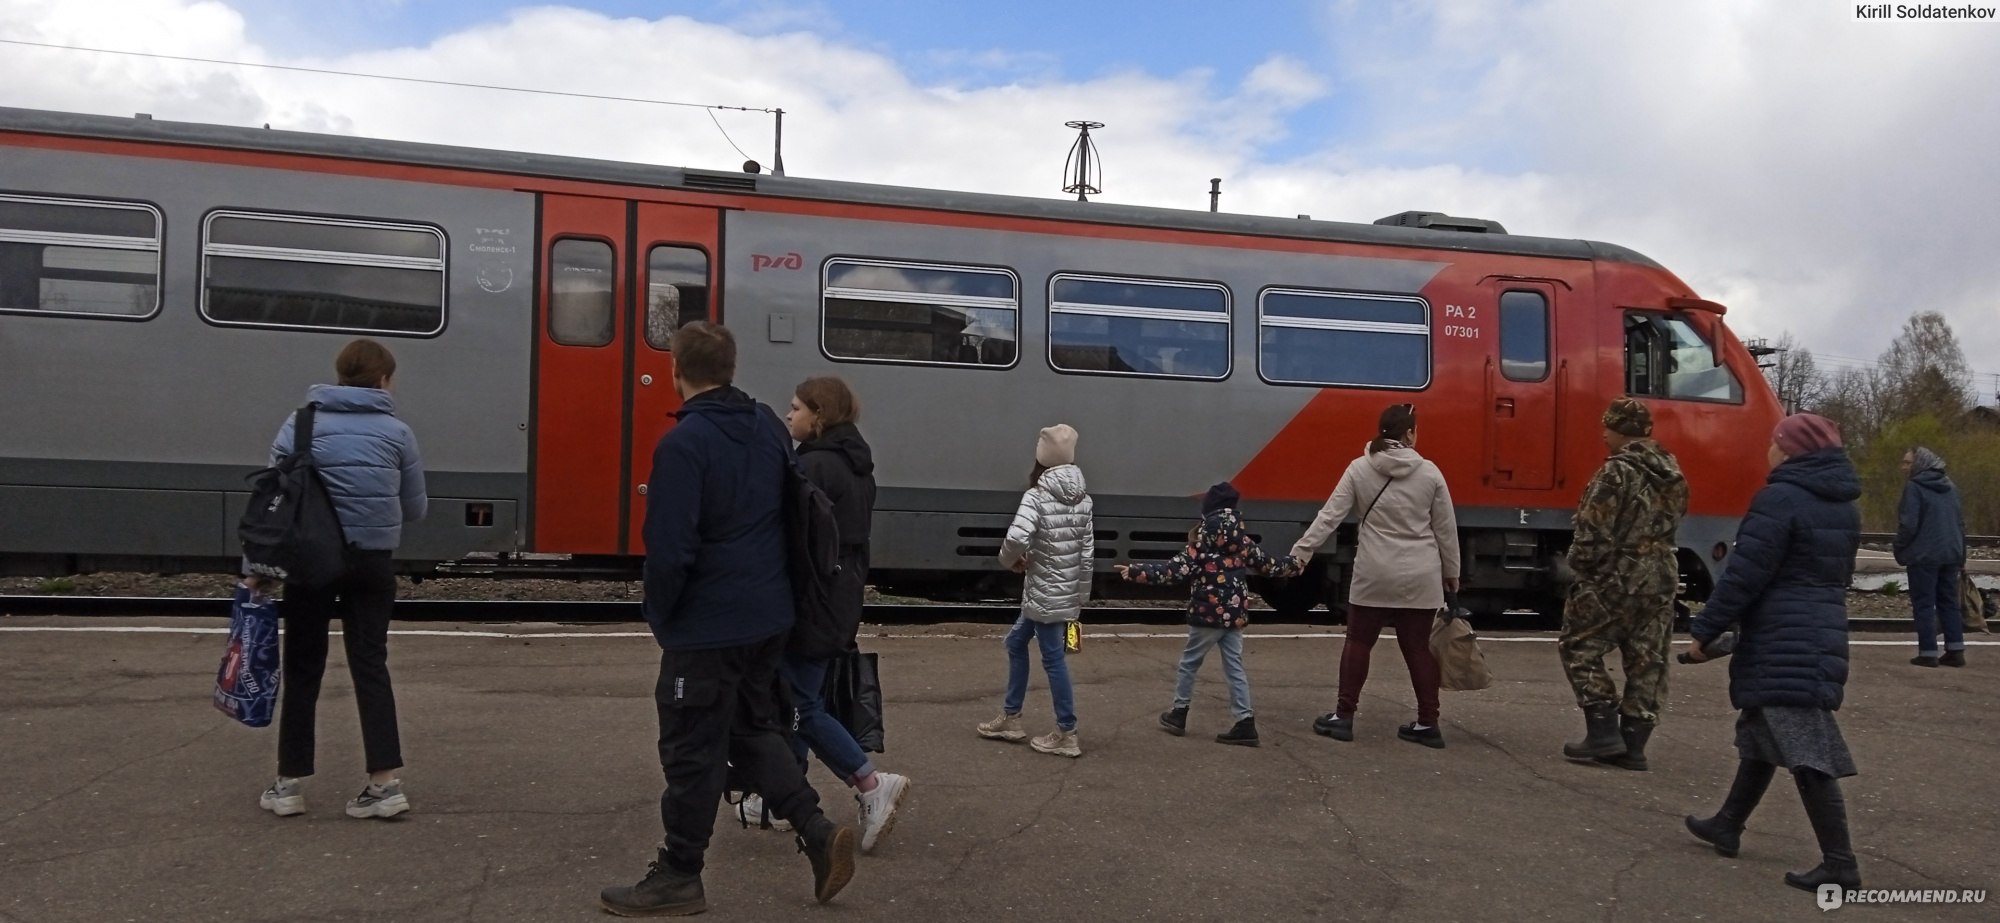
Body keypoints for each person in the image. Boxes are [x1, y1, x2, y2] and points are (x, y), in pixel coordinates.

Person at [601, 323, 857, 916]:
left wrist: (660, 615)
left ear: (675, 369)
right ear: (733, 368)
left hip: (709, 624)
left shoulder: (684, 444)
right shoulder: (768, 425)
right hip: (769, 619)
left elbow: (670, 549)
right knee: (752, 729)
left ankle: (679, 875)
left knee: (693, 748)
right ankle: (818, 833)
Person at [1683, 413, 1863, 893]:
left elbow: (1745, 575)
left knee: (1806, 749)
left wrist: (1705, 629)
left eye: (1773, 443)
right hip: (1817, 630)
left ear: (1789, 451)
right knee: (1765, 733)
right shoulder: (1842, 505)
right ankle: (1728, 823)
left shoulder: (1779, 498)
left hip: (1786, 637)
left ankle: (1840, 864)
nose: (1768, 450)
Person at [254, 338, 425, 821]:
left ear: (340, 375)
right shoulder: (398, 433)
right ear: (385, 380)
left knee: (304, 665)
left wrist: (260, 570)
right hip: (371, 562)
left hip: (310, 562)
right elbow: (415, 508)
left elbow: (274, 501)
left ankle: (288, 784)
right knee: (370, 665)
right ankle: (384, 785)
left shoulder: (300, 424)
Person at [750, 376, 909, 853]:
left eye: (797, 407)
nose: (789, 414)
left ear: (819, 416)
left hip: (812, 602)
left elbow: (794, 542)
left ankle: (870, 782)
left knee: (800, 704)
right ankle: (786, 796)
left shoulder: (813, 465)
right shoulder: (856, 466)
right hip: (838, 598)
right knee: (796, 697)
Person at [1292, 403, 1460, 749]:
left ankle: (1344, 717)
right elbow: (1445, 529)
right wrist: (1452, 573)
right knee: (1417, 648)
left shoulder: (1359, 468)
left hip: (1374, 571)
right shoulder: (1430, 473)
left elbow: (1330, 516)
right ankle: (1428, 723)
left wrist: (1301, 552)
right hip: (1421, 572)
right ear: (1409, 433)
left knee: (1358, 641)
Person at [1117, 482, 1302, 747]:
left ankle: (1178, 714)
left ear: (1209, 510)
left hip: (1207, 614)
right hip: (1234, 614)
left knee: (1189, 663)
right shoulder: (1242, 540)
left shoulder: (1202, 539)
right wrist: (1295, 565)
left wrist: (1135, 571)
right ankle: (1245, 722)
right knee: (1234, 667)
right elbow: (1269, 565)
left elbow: (1174, 571)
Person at [1558, 398, 1689, 770]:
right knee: (1648, 659)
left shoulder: (1616, 472)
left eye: (1607, 428)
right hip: (1661, 576)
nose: (1603, 434)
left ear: (1618, 430)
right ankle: (1634, 744)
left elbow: (1592, 529)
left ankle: (1602, 731)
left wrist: (1582, 569)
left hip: (1617, 576)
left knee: (1578, 646)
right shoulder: (1673, 473)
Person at [977, 424, 1093, 758]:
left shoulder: (1037, 495)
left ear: (1041, 459)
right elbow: (1087, 554)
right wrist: (1079, 597)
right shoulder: (1083, 499)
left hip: (1043, 592)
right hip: (1056, 593)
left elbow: (1015, 539)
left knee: (1054, 658)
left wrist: (1008, 562)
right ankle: (1011, 717)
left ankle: (1067, 732)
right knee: (1015, 642)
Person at [1895, 446, 1968, 668]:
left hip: (1924, 554)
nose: (1904, 467)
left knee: (1924, 603)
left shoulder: (1915, 488)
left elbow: (1909, 524)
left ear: (1919, 465)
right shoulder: (1951, 487)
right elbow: (1960, 523)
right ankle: (1955, 649)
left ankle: (1928, 652)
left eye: (1908, 463)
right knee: (1949, 602)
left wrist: (1899, 548)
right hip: (1951, 553)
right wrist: (1962, 554)